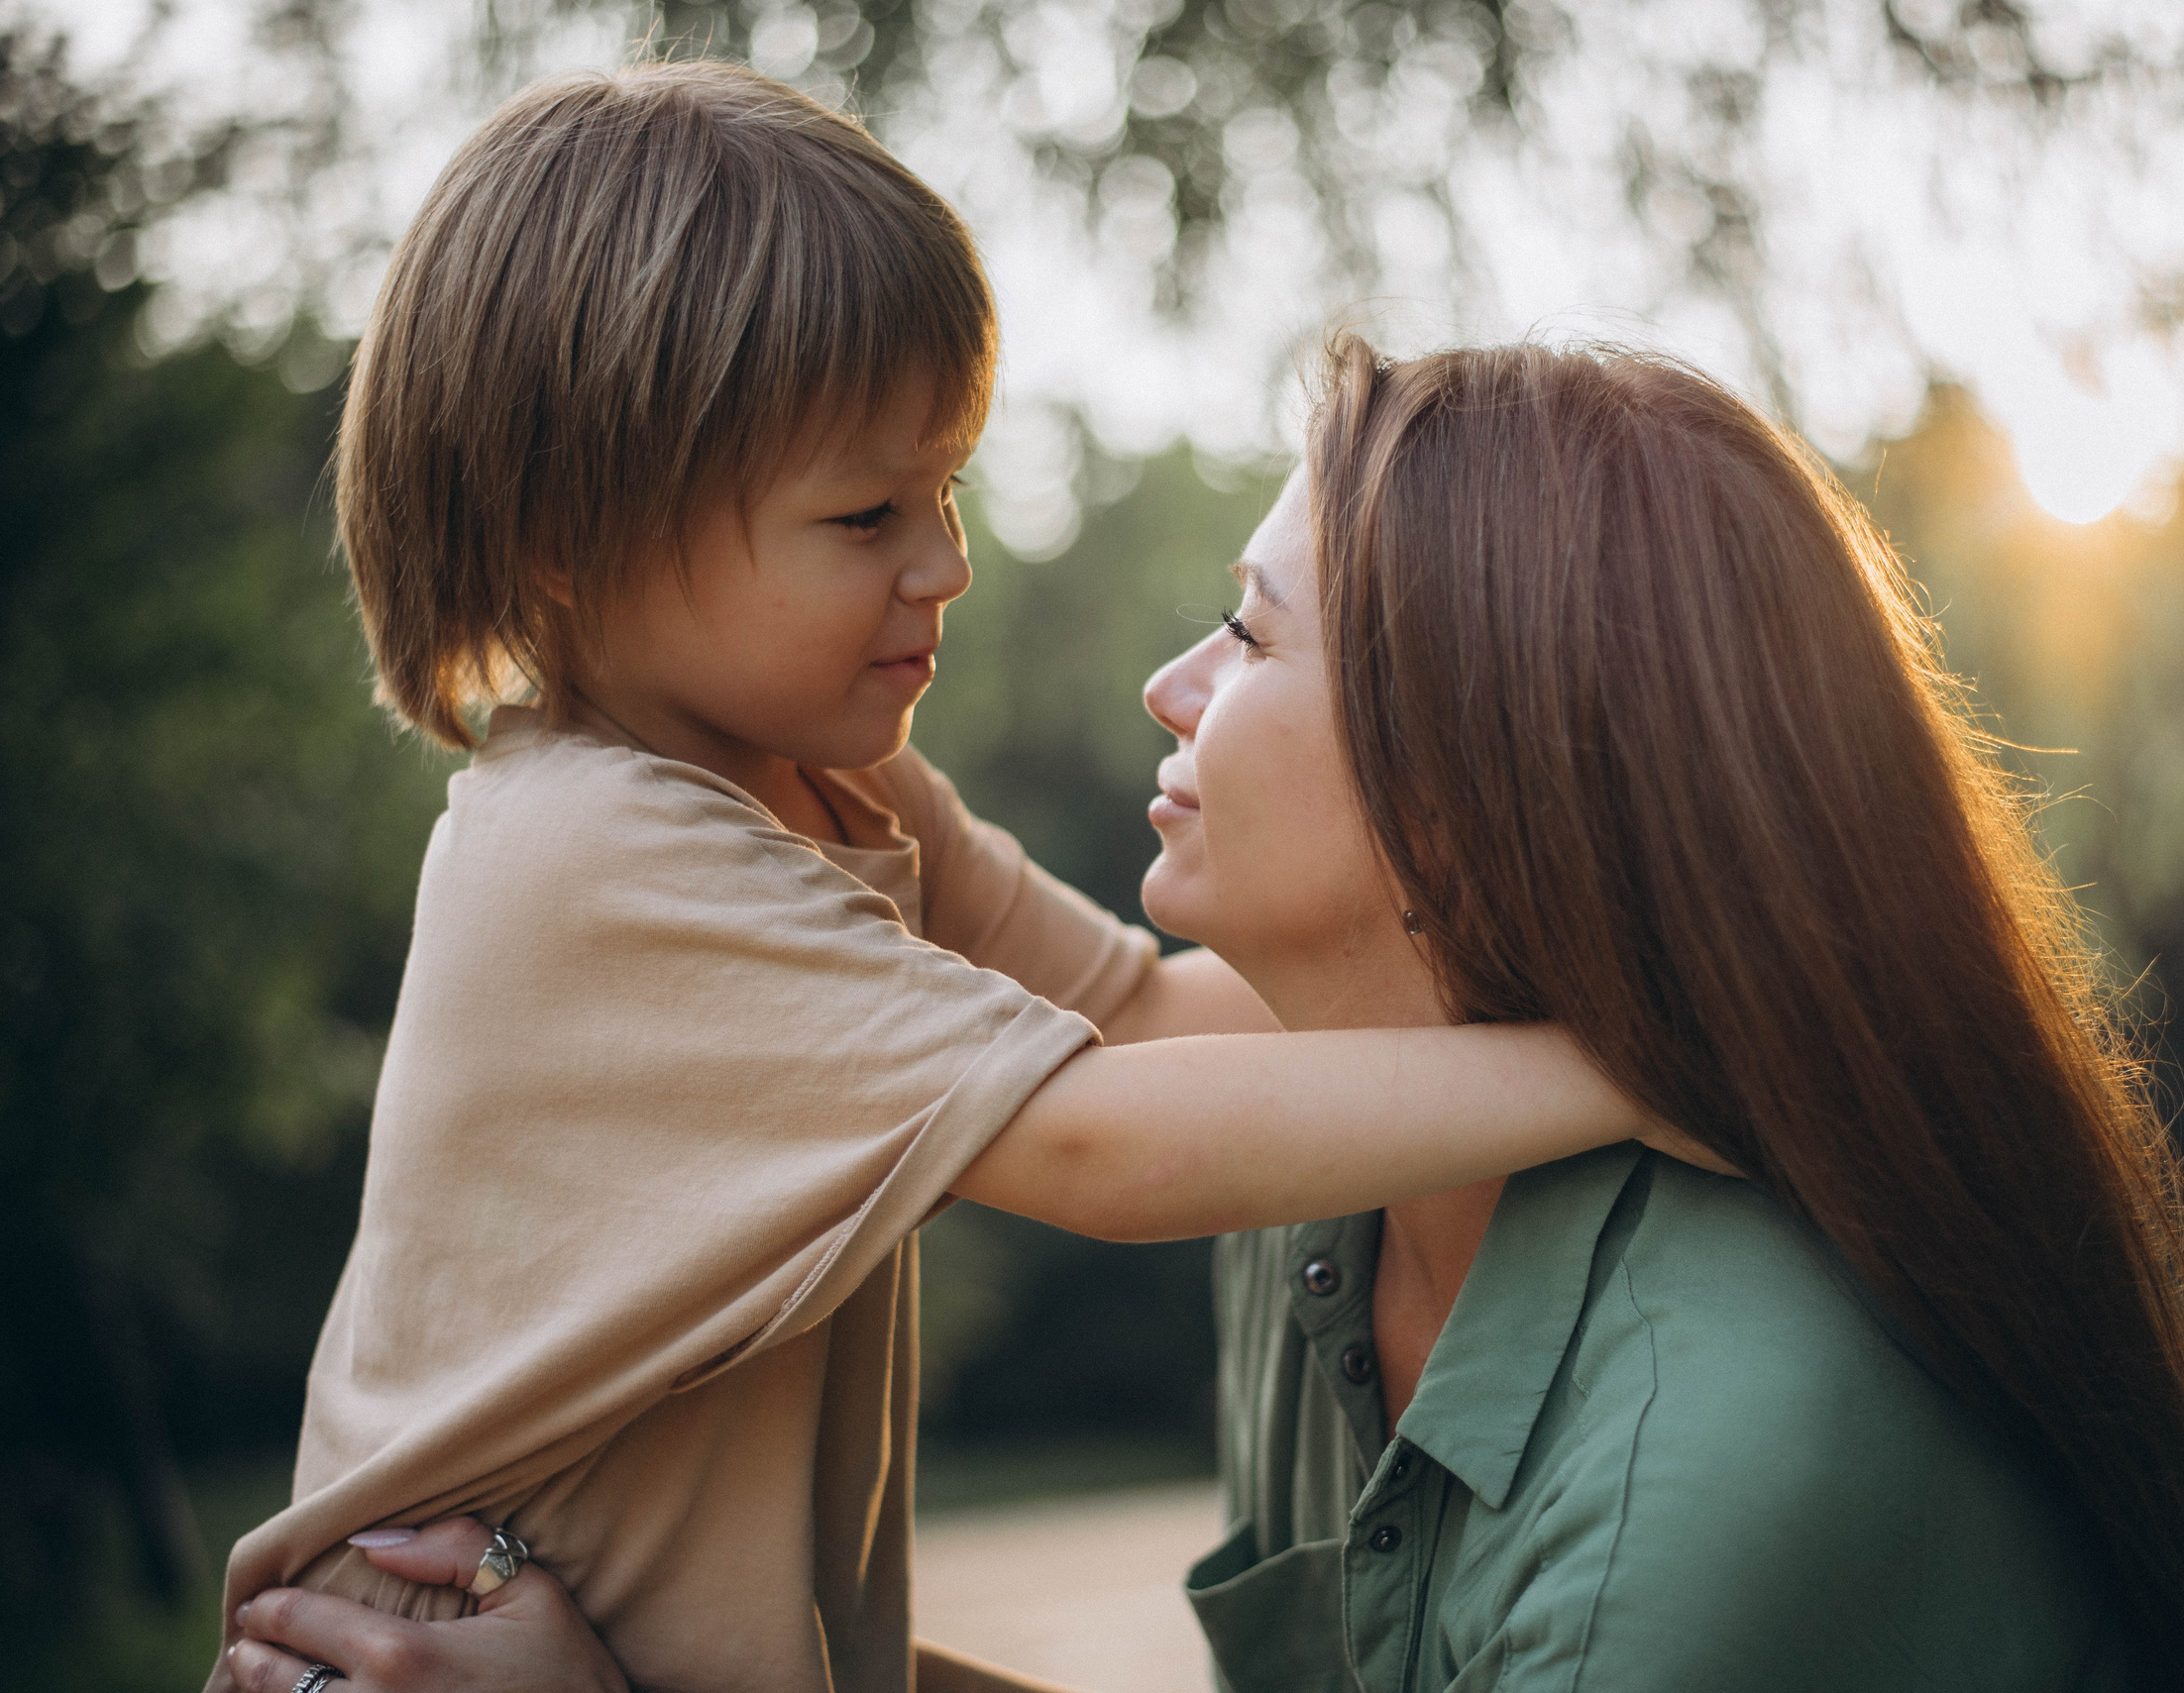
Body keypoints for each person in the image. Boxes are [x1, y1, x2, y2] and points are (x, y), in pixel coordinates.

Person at [235, 334, 2184, 1692]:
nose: (1164, 683)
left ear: (1478, 778)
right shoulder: (1325, 1192)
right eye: (863, 517)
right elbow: (1116, 1059)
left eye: (1246, 631)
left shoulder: (1700, 1494)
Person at [205, 69, 1698, 1693]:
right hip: (417, 1652)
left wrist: (1592, 955)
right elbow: (1097, 1145)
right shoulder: (593, 851)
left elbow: (1139, 1017)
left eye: (947, 485)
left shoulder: (826, 785)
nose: (949, 560)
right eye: (866, 512)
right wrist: (1629, 1071)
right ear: (574, 539)